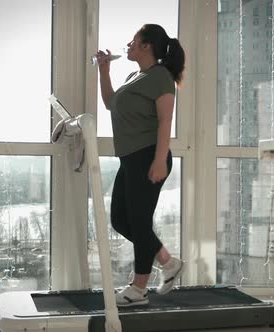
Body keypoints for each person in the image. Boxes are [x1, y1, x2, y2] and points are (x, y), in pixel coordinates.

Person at [94, 24, 185, 307]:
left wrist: (159, 160)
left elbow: (165, 120)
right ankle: (168, 263)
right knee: (121, 220)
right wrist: (104, 71)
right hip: (131, 158)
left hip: (149, 156)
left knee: (139, 221)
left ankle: (139, 288)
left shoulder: (160, 77)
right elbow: (111, 103)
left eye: (133, 41)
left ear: (146, 46)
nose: (129, 45)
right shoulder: (136, 75)